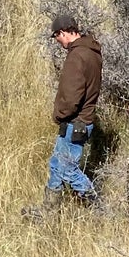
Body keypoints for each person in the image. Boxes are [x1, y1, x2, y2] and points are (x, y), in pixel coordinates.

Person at [46, 13, 102, 204]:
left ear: (62, 32)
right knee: (56, 164)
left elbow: (72, 97)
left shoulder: (76, 56)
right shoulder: (91, 52)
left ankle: (97, 206)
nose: (57, 42)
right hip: (82, 121)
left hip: (75, 122)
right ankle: (48, 210)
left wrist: (59, 115)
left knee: (68, 169)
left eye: (56, 37)